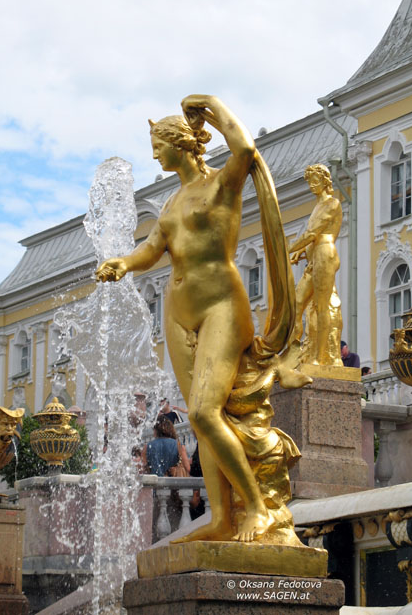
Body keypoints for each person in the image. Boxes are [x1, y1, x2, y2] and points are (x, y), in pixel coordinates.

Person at [96, 95, 295, 543]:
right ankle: (222, 518)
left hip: (223, 307)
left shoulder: (222, 184)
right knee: (203, 418)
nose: (153, 154)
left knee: (204, 413)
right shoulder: (169, 206)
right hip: (179, 317)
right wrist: (124, 263)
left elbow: (245, 151)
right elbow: (152, 250)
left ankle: (258, 509)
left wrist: (212, 106)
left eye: (158, 144)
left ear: (180, 143)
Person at [289, 164, 343, 366]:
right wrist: (301, 253)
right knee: (296, 303)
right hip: (314, 259)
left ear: (325, 181)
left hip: (325, 256)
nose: (312, 185)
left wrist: (288, 249)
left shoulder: (332, 204)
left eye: (315, 180)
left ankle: (320, 358)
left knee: (322, 306)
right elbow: (313, 238)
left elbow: (313, 234)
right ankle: (296, 353)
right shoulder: (317, 207)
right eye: (309, 181)